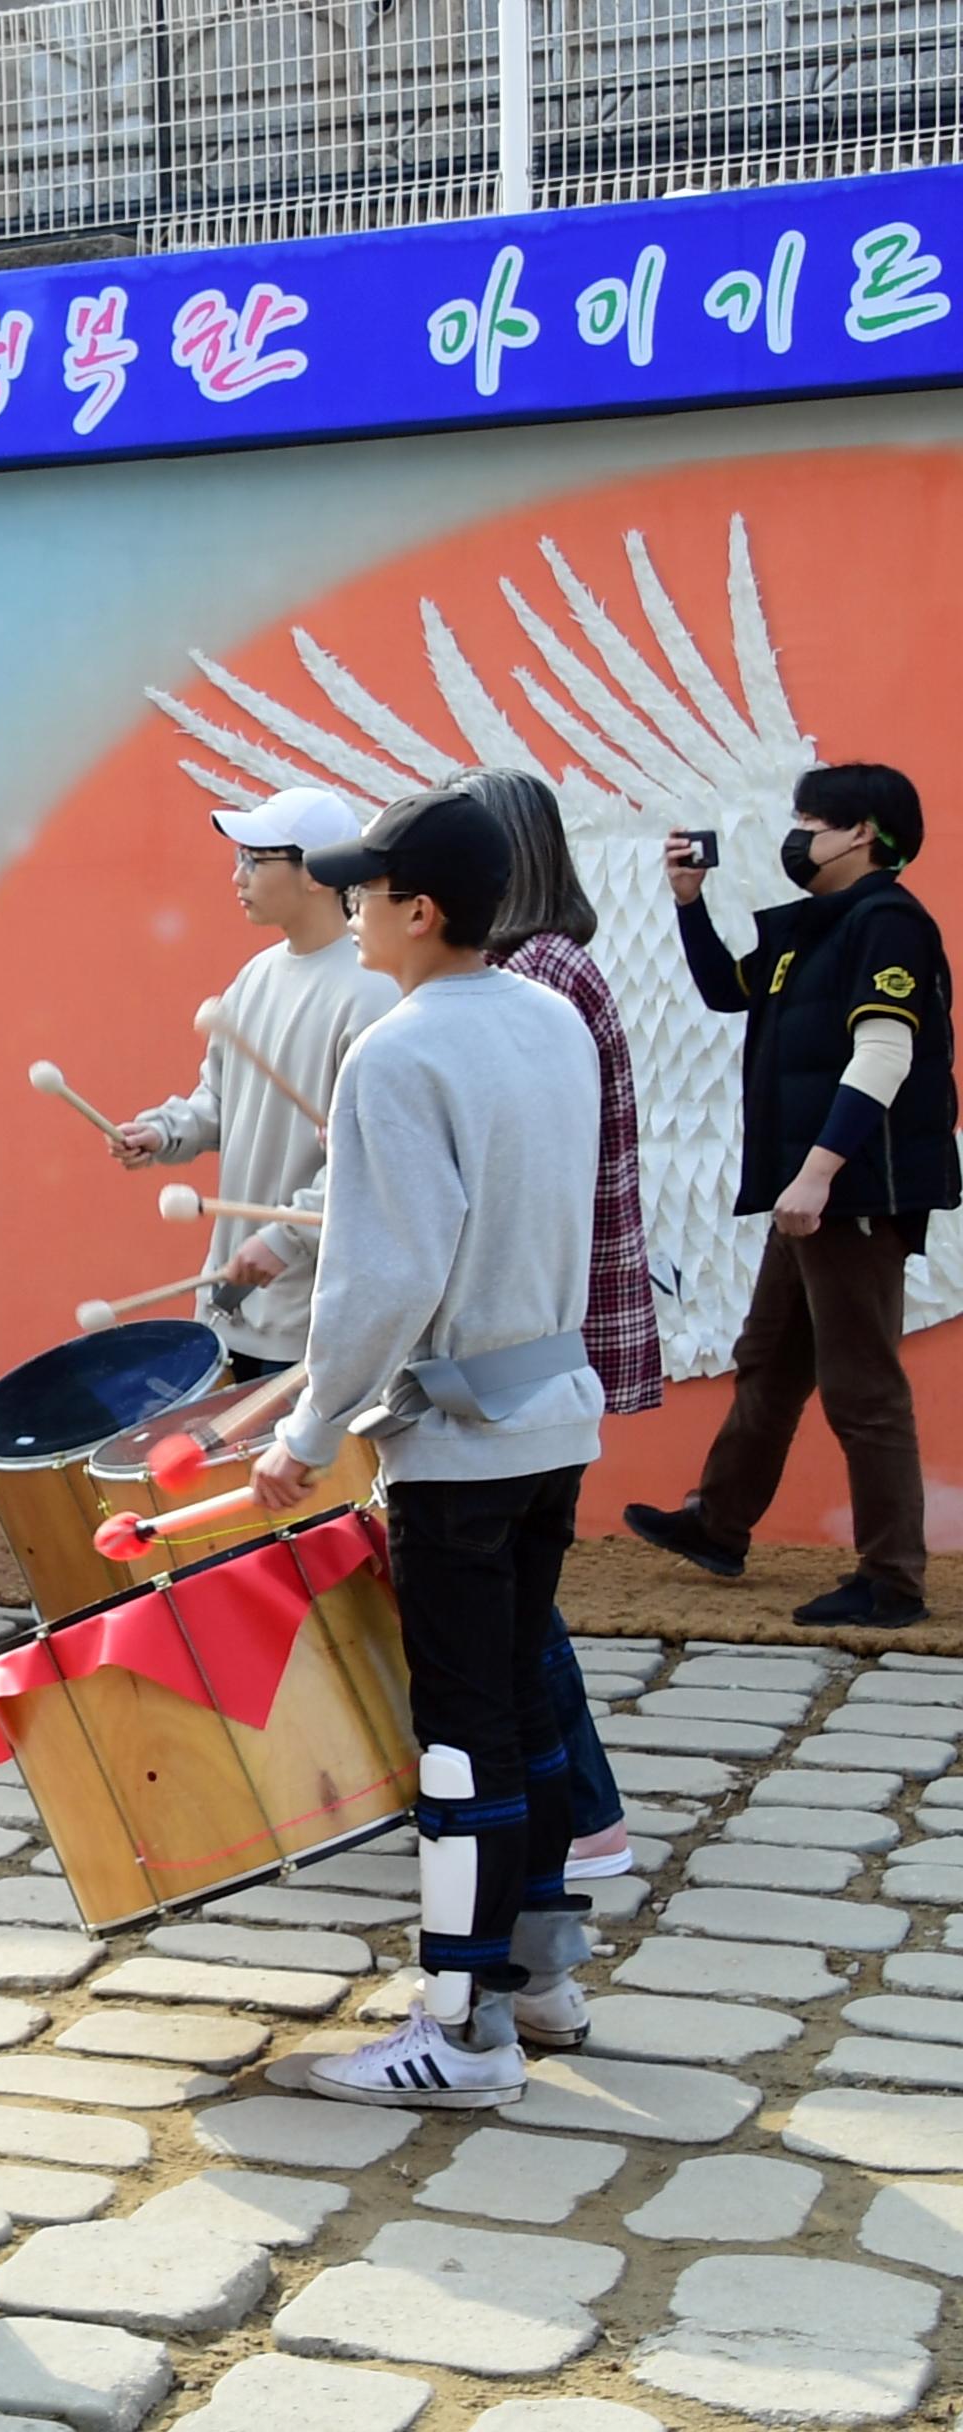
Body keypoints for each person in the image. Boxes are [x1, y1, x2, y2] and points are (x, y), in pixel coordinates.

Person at [251, 785, 606, 2108]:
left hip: (457, 1447)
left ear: (424, 909)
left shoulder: (395, 1054)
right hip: (553, 1420)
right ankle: (543, 1978)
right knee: (521, 1701)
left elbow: (383, 1280)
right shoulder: (553, 1019)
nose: (350, 910)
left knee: (461, 1733)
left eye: (366, 891)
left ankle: (463, 2034)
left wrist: (306, 1425)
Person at [626, 764, 956, 1628]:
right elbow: (724, 991)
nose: (797, 832)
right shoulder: (816, 926)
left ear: (862, 833)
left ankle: (893, 1581)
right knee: (770, 1358)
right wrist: (689, 901)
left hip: (847, 1192)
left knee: (862, 1386)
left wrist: (819, 1171)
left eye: (812, 818)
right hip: (807, 1192)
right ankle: (719, 1523)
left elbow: (883, 1055)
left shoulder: (887, 923)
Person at [466, 766, 658, 1896]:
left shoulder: (536, 974)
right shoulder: (551, 966)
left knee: (507, 1596)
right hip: (540, 1321)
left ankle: (579, 1811)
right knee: (507, 1591)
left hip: (525, 1326)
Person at [112, 786, 399, 1378]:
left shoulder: (372, 990)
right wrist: (165, 1132)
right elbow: (220, 1101)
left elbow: (372, 1161)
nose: (237, 876)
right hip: (231, 1301)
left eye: (255, 858)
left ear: (315, 872)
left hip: (312, 1318)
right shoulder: (257, 975)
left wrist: (287, 1241)